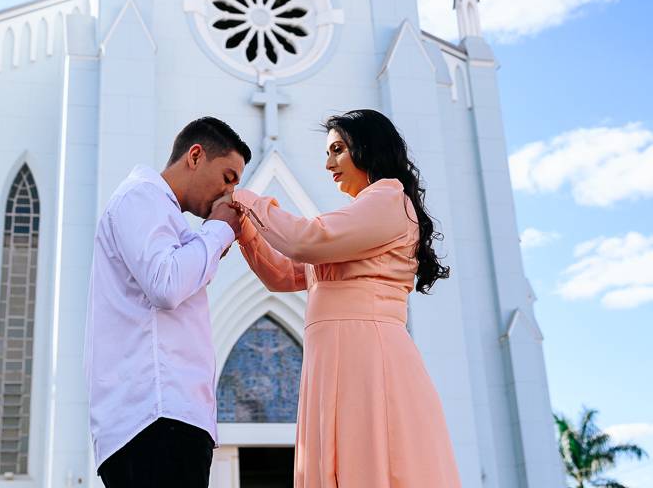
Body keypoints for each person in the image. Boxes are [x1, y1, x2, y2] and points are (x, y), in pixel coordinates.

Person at [224, 108, 462, 488]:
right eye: (327, 152)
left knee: (371, 465)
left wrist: (247, 198)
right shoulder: (361, 217)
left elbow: (305, 241)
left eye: (337, 149)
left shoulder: (389, 200)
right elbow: (284, 274)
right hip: (338, 358)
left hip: (368, 359)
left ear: (367, 149)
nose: (329, 163)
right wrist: (245, 230)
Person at [84, 116, 251, 488]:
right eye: (228, 177)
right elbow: (166, 283)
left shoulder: (164, 215)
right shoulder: (140, 196)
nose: (230, 195)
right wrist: (219, 230)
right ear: (195, 155)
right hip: (155, 419)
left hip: (167, 421)